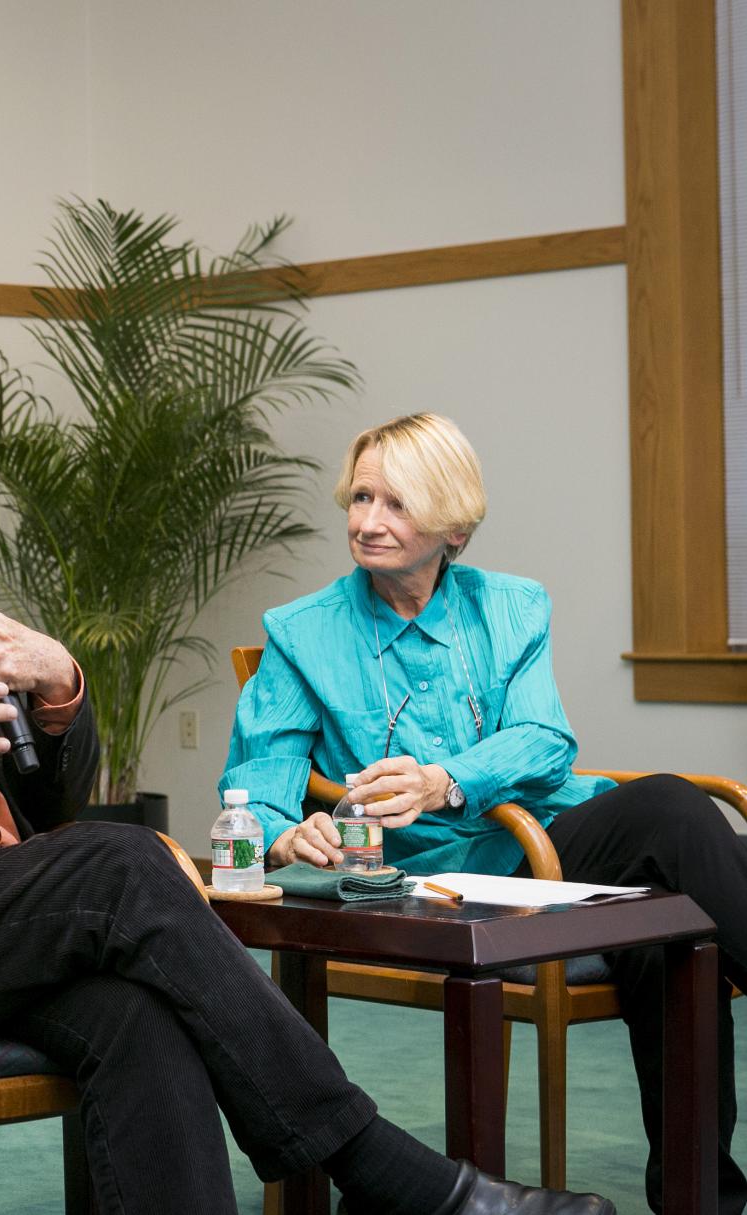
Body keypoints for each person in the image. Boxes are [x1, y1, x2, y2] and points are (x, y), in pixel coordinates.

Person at [0, 349, 614, 1215]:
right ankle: (381, 1169)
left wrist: (62, 696)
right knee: (124, 860)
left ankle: (379, 1175)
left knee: (134, 1016)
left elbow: (42, 810)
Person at [222, 411, 747, 1215]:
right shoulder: (303, 633)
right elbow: (256, 780)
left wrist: (445, 778)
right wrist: (286, 825)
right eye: (359, 497)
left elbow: (544, 741)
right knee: (676, 880)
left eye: (395, 504)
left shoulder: (509, 606)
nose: (366, 521)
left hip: (543, 847)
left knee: (673, 860)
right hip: (432, 875)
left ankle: (699, 1197)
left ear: (451, 525)